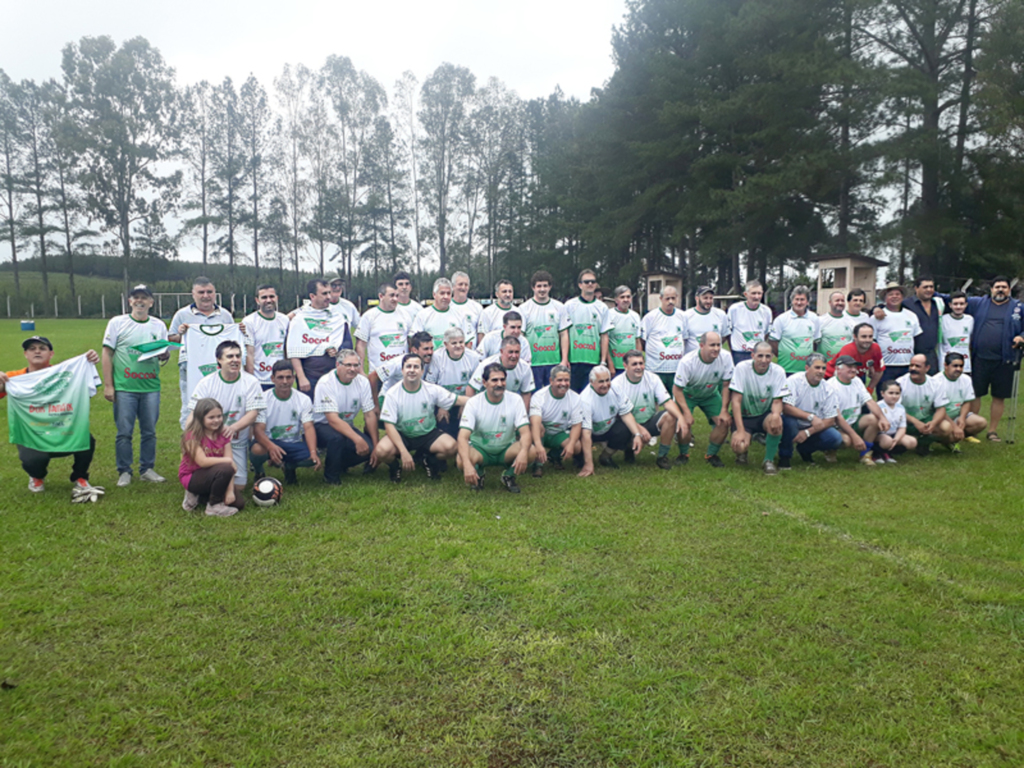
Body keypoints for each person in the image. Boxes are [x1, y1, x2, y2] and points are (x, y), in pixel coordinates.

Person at [0, 336, 103, 499]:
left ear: (51, 354)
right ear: (25, 354)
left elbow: (80, 391)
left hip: (61, 429)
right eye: (32, 348)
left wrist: (88, 360)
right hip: (31, 434)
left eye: (42, 348)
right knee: (33, 459)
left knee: (86, 440)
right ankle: (36, 476)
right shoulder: (13, 378)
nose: (37, 351)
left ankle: (80, 477)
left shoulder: (65, 374)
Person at [101, 284, 169, 487]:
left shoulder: (158, 325)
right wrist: (108, 385)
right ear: (129, 301)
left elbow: (164, 353)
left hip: (150, 387)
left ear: (151, 302)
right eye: (136, 298)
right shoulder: (117, 323)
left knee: (149, 431)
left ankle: (147, 468)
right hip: (125, 387)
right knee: (124, 432)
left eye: (144, 298)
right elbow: (107, 353)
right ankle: (124, 471)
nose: (140, 301)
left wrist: (164, 353)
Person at [186, 340, 266, 501]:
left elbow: (253, 413)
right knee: (215, 473)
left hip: (236, 441)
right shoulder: (206, 383)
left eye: (238, 356)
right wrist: (188, 439)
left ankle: (211, 488)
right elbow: (193, 414)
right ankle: (201, 487)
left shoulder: (251, 382)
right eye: (229, 356)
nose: (235, 360)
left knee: (240, 486)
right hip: (210, 441)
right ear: (219, 360)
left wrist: (232, 428)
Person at [375, 353, 467, 482]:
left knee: (451, 447)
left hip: (427, 433)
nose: (412, 370)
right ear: (402, 370)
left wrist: (482, 400)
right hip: (402, 434)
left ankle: (428, 460)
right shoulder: (392, 393)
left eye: (416, 367)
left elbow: (458, 400)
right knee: (381, 451)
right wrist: (403, 452)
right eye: (408, 366)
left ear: (422, 371)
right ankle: (395, 467)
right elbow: (389, 425)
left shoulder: (431, 389)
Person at [169, 276, 238, 426]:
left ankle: (219, 442)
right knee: (192, 406)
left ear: (215, 293)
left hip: (219, 368)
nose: (205, 296)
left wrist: (241, 331)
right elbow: (170, 339)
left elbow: (233, 341)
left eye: (209, 292)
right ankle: (191, 444)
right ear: (193, 294)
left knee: (220, 404)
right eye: (201, 292)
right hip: (191, 369)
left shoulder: (225, 315)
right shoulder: (182, 315)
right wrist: (181, 334)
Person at [457, 362, 535, 493]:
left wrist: (522, 453)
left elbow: (526, 433)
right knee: (461, 459)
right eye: (494, 380)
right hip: (480, 450)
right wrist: (467, 465)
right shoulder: (473, 402)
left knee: (531, 451)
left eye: (502, 379)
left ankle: (508, 476)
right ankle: (478, 474)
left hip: (506, 449)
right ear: (484, 382)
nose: (499, 384)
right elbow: (462, 437)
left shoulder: (516, 400)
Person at [963, 276, 1024, 441]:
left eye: (1004, 287)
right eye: (997, 286)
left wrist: (1021, 337)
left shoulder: (1018, 308)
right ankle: (972, 429)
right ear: (991, 289)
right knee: (975, 394)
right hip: (979, 358)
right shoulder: (978, 303)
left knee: (999, 396)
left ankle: (992, 431)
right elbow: (955, 300)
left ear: (1009, 290)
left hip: (1005, 359)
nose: (1000, 289)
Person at [312, 350, 380, 483]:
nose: (352, 369)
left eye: (356, 365)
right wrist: (357, 439)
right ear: (338, 364)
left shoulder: (363, 382)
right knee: (337, 438)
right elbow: (332, 419)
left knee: (369, 448)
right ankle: (331, 477)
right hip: (322, 425)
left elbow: (369, 415)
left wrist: (376, 446)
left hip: (346, 424)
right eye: (348, 365)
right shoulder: (326, 383)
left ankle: (339, 464)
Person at [611, 350, 686, 469]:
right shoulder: (616, 384)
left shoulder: (653, 378)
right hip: (627, 424)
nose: (639, 367)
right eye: (634, 364)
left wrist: (681, 417)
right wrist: (638, 429)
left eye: (641, 363)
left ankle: (662, 457)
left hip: (648, 420)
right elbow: (617, 414)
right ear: (625, 366)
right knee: (620, 429)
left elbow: (667, 402)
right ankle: (627, 450)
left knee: (670, 416)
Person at [250, 360, 321, 485]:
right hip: (269, 442)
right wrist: (271, 447)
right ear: (272, 379)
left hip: (291, 443)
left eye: (288, 377)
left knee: (312, 458)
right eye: (280, 377)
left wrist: (313, 452)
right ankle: (259, 471)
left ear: (293, 378)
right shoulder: (262, 399)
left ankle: (289, 466)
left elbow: (308, 427)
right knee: (257, 449)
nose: (285, 381)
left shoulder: (303, 399)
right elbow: (258, 430)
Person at [672, 331, 734, 468]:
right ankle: (683, 454)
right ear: (701, 345)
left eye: (718, 345)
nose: (716, 349)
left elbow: (726, 386)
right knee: (683, 424)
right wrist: (686, 413)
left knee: (723, 422)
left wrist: (724, 410)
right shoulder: (687, 362)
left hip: (711, 395)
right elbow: (677, 390)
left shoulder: (726, 357)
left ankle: (712, 454)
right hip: (688, 395)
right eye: (712, 345)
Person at [729, 341, 787, 474]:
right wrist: (740, 430)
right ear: (753, 355)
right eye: (760, 356)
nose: (764, 360)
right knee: (740, 446)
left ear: (772, 357)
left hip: (764, 415)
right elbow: (736, 401)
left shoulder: (778, 371)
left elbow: (777, 401)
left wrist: (776, 416)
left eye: (768, 356)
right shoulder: (741, 368)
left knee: (777, 422)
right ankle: (742, 454)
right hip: (745, 416)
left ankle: (768, 460)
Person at [778, 353, 845, 468]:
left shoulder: (828, 389)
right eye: (817, 367)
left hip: (813, 426)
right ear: (807, 368)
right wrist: (811, 417)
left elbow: (830, 419)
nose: (821, 371)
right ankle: (785, 457)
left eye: (823, 368)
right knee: (789, 422)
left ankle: (805, 450)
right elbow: (786, 407)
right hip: (795, 420)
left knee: (835, 438)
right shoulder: (794, 381)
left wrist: (808, 432)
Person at [179, 397, 242, 517]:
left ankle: (201, 497)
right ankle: (213, 505)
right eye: (211, 417)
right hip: (192, 476)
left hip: (214, 473)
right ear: (200, 418)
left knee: (238, 503)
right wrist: (228, 461)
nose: (216, 420)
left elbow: (229, 463)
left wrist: (229, 492)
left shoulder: (223, 434)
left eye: (219, 416)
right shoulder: (192, 435)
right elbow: (202, 462)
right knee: (225, 468)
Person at [287, 278, 352, 395]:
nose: (329, 297)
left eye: (329, 292)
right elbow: (293, 351)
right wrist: (301, 378)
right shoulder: (300, 319)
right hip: (310, 376)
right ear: (312, 296)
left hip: (333, 375)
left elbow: (348, 345)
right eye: (324, 293)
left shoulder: (338, 318)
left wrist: (338, 350)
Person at [528, 364, 590, 477]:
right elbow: (535, 423)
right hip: (541, 433)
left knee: (576, 446)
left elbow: (577, 425)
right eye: (559, 380)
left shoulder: (575, 398)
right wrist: (538, 444)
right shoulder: (539, 396)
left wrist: (570, 445)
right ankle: (538, 464)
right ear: (551, 381)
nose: (563, 384)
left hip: (558, 433)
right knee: (539, 427)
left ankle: (554, 455)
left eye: (566, 380)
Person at [827, 355, 889, 464]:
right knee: (847, 441)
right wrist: (854, 436)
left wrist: (882, 418)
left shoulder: (857, 381)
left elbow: (869, 401)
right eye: (849, 367)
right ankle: (830, 450)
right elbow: (837, 417)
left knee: (874, 419)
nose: (853, 370)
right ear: (838, 369)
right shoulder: (830, 386)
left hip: (853, 421)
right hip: (835, 425)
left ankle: (865, 454)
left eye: (855, 367)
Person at [579, 365, 644, 469]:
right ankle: (580, 458)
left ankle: (605, 457)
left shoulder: (615, 389)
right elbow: (585, 433)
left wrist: (637, 434)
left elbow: (626, 413)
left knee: (626, 428)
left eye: (607, 380)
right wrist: (589, 464)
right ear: (592, 381)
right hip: (589, 432)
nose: (605, 385)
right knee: (577, 435)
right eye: (601, 382)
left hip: (608, 428)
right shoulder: (585, 399)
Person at [518, 269, 571, 388]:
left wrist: (564, 360)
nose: (542, 289)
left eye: (545, 286)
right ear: (533, 287)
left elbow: (564, 334)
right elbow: (521, 336)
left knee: (554, 396)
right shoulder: (524, 308)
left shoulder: (560, 307)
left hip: (554, 363)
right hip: (532, 363)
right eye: (539, 286)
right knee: (533, 397)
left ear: (550, 287)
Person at [426, 327, 482, 438]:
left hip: (465, 398)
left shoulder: (473, 357)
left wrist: (465, 404)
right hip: (442, 401)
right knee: (442, 421)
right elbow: (431, 385)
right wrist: (443, 405)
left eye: (461, 342)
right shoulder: (437, 357)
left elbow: (476, 385)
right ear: (446, 344)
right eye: (454, 343)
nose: (458, 345)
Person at [565, 268, 613, 392]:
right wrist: (565, 358)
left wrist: (603, 361)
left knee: (591, 398)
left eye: (592, 281)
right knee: (573, 397)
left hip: (594, 361)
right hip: (574, 361)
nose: (590, 284)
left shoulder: (602, 307)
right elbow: (564, 333)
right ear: (580, 285)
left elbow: (604, 335)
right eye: (586, 282)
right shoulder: (569, 305)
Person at [896, 353, 953, 454]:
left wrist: (933, 423)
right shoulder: (900, 383)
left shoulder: (935, 384)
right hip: (903, 422)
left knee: (946, 427)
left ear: (927, 368)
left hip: (926, 420)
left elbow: (941, 409)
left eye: (917, 366)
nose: (913, 368)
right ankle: (907, 441)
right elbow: (895, 409)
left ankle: (923, 443)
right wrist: (915, 422)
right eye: (911, 365)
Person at [869, 282, 922, 385]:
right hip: (885, 366)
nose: (894, 297)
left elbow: (917, 340)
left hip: (907, 365)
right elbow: (872, 342)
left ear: (902, 297)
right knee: (885, 397)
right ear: (885, 298)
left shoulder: (911, 316)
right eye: (891, 294)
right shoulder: (876, 317)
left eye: (897, 294)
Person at [932, 352, 987, 449]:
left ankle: (953, 438)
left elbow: (966, 402)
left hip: (956, 415)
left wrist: (962, 417)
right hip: (940, 417)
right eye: (955, 366)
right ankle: (935, 439)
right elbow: (939, 409)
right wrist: (954, 426)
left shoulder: (966, 379)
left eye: (961, 366)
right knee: (946, 428)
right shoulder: (936, 381)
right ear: (945, 365)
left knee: (981, 422)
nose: (958, 369)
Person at [467, 336, 536, 410]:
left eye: (517, 352)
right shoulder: (486, 364)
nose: (514, 356)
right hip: (487, 405)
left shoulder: (525, 368)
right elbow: (471, 388)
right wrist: (470, 409)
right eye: (510, 352)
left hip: (510, 406)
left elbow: (526, 394)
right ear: (501, 351)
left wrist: (523, 416)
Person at [640, 285, 687, 392]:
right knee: (653, 402)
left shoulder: (682, 316)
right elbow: (642, 340)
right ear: (661, 299)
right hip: (655, 369)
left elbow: (684, 339)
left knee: (676, 402)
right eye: (667, 298)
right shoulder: (650, 317)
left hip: (676, 369)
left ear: (677, 298)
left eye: (673, 298)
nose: (670, 301)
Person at [371, 332, 434, 410]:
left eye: (431, 348)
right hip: (388, 401)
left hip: (409, 401)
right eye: (426, 349)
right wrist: (375, 405)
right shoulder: (398, 362)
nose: (430, 352)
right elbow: (373, 377)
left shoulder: (430, 361)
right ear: (414, 350)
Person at [244, 284, 290, 390]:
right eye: (264, 297)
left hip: (280, 380)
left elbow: (287, 351)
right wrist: (251, 382)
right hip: (260, 380)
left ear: (277, 298)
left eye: (271, 296)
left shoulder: (284, 320)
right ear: (257, 300)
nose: (268, 300)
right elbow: (249, 354)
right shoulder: (249, 322)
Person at [356, 282, 409, 372]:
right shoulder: (369, 316)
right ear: (381, 296)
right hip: (378, 374)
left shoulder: (405, 315)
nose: (395, 299)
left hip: (401, 374)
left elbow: (411, 341)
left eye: (397, 296)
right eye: (391, 295)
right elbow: (361, 345)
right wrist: (361, 371)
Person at [769, 285, 821, 374]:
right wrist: (785, 355)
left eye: (802, 299)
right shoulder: (781, 319)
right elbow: (773, 342)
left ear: (807, 302)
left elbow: (815, 342)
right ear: (792, 301)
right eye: (796, 299)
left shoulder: (814, 318)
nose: (799, 303)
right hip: (785, 369)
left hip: (807, 370)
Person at [411, 278, 474, 350]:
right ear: (434, 294)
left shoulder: (460, 315)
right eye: (442, 293)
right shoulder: (423, 315)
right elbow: (414, 341)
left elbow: (467, 342)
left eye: (448, 293)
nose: (446, 297)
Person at [823, 322, 884, 393]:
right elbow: (840, 373)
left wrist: (870, 389)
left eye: (870, 336)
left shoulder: (875, 348)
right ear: (855, 337)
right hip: (831, 376)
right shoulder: (848, 350)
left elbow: (879, 371)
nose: (868, 340)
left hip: (855, 375)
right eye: (864, 337)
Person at [901, 275, 945, 373]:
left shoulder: (938, 304)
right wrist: (876, 309)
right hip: (913, 354)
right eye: (925, 287)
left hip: (932, 355)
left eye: (931, 287)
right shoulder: (906, 304)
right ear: (916, 288)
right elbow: (888, 308)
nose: (929, 290)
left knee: (932, 385)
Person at [727, 280, 774, 364]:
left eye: (759, 293)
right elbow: (728, 331)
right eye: (753, 293)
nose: (756, 296)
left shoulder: (766, 311)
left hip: (758, 354)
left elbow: (766, 333)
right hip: (739, 353)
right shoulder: (735, 309)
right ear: (746, 294)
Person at [874, 380, 917, 463]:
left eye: (897, 393)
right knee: (887, 441)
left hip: (893, 433)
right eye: (890, 393)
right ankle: (876, 454)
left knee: (912, 442)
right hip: (879, 435)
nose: (894, 396)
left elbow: (902, 427)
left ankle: (889, 453)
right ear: (882, 393)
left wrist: (896, 439)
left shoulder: (901, 408)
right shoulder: (878, 406)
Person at [683, 286, 730, 356]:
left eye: (711, 298)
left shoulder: (720, 314)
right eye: (705, 298)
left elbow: (725, 335)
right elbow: (683, 339)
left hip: (713, 359)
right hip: (692, 359)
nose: (708, 301)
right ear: (697, 299)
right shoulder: (686, 316)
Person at [607, 285, 642, 374]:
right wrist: (610, 365)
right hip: (615, 366)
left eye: (628, 297)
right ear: (616, 299)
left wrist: (639, 363)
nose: (625, 299)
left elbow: (637, 341)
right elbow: (605, 342)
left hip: (631, 367)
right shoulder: (609, 315)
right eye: (622, 297)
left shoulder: (635, 316)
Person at [938, 291, 974, 375]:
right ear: (950, 305)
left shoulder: (970, 320)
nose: (958, 306)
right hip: (946, 366)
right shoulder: (942, 320)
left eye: (961, 304)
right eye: (955, 304)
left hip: (965, 366)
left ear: (966, 305)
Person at [818, 290, 855, 361]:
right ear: (830, 302)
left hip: (845, 366)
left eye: (842, 300)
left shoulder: (851, 322)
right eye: (837, 300)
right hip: (826, 366)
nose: (840, 303)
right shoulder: (821, 321)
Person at [451, 271, 483, 339]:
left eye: (466, 285)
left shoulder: (477, 307)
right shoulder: (447, 307)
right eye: (460, 284)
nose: (463, 287)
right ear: (453, 286)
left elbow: (480, 333)